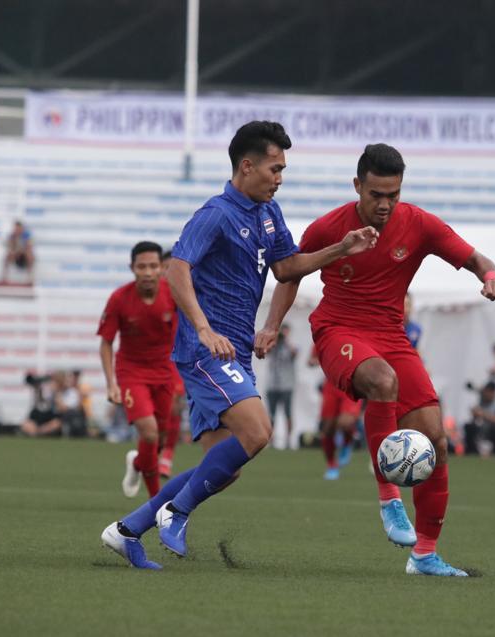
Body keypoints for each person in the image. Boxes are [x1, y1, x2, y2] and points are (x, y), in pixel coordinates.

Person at [101, 121, 377, 570]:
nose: (280, 177)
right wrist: (205, 329)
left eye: (283, 169)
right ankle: (176, 511)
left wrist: (340, 249)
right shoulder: (215, 213)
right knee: (258, 432)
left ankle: (128, 530)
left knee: (224, 467)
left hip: (235, 354)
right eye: (274, 168)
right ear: (246, 166)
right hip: (204, 349)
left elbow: (287, 269)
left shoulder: (270, 213)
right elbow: (178, 269)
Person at [260, 143, 495, 577]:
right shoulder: (330, 227)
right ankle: (389, 498)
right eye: (376, 194)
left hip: (391, 337)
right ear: (358, 186)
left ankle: (426, 555)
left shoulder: (418, 224)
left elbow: (473, 257)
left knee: (436, 441)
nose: (385, 204)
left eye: (392, 194)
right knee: (382, 381)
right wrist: (272, 324)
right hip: (338, 330)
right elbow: (291, 271)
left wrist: (491, 276)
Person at [97, 241, 179, 499]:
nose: (147, 272)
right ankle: (157, 503)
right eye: (141, 266)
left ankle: (136, 464)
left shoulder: (173, 293)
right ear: (132, 268)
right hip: (132, 372)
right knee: (149, 431)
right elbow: (106, 343)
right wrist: (111, 384)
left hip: (164, 371)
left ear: (160, 269)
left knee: (160, 440)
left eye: (153, 266)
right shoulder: (119, 299)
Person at [308, 345, 363, 480]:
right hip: (331, 385)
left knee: (345, 422)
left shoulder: (356, 332)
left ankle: (347, 442)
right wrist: (317, 361)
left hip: (351, 383)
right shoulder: (323, 334)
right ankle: (332, 465)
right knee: (327, 429)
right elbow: (311, 360)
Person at [158, 251, 186, 479]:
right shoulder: (151, 296)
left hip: (177, 359)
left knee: (175, 406)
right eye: (164, 268)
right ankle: (153, 451)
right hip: (153, 360)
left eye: (171, 268)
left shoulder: (183, 292)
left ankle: (167, 456)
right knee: (156, 414)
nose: (167, 273)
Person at [265, 322, 299, 449]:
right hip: (272, 385)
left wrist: (286, 340)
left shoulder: (291, 345)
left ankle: (289, 440)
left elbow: (295, 353)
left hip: (287, 385)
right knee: (271, 414)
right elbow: (265, 352)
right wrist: (273, 340)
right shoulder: (273, 345)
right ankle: (271, 440)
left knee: (288, 413)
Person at [464, 380, 495, 457]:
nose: (487, 394)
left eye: (489, 392)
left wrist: (484, 415)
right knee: (469, 426)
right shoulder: (483, 401)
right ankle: (471, 451)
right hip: (482, 427)